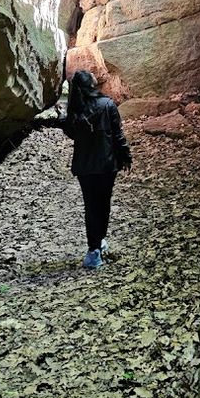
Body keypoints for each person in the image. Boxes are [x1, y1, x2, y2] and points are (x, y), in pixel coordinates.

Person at [62, 69, 132, 269]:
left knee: (91, 207)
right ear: (91, 84)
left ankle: (95, 248)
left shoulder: (74, 109)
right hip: (106, 165)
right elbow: (118, 135)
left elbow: (72, 133)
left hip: (85, 167)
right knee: (103, 205)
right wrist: (126, 157)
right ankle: (97, 245)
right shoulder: (107, 104)